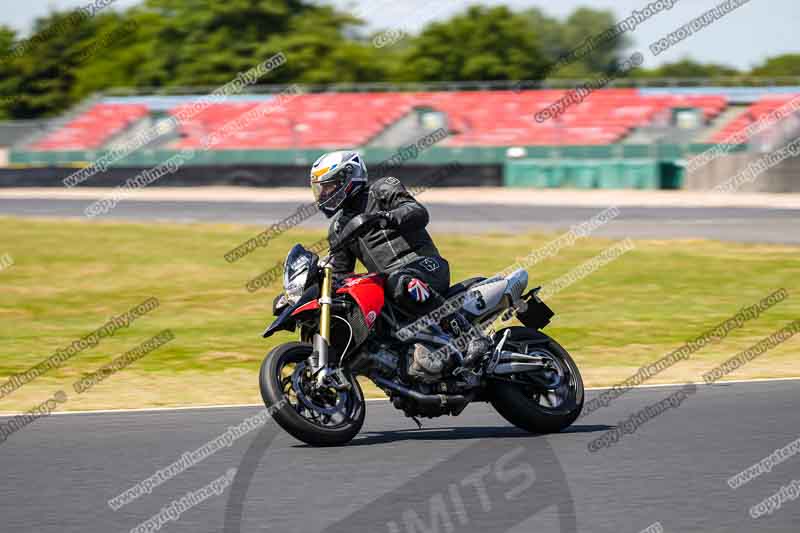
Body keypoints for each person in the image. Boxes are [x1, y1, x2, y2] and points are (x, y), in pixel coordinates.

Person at [310, 150, 487, 379]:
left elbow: (417, 212)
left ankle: (471, 336)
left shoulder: (382, 189)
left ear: (348, 177)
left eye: (329, 186)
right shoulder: (338, 228)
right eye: (320, 189)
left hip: (425, 265)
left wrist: (386, 217)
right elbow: (342, 273)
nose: (324, 194)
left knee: (401, 282)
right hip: (390, 286)